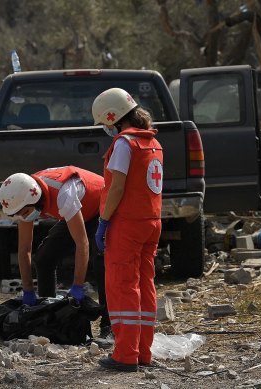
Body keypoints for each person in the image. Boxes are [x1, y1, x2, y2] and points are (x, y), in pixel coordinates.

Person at [91, 88, 163, 372]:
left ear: (114, 118)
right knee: (146, 285)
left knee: (123, 287)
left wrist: (103, 221)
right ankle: (143, 352)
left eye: (105, 123)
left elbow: (117, 187)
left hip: (127, 225)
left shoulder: (124, 144)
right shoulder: (153, 143)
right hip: (151, 222)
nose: (106, 129)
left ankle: (125, 355)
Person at [0, 166, 111, 336]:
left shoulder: (63, 194)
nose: (24, 217)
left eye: (26, 213)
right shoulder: (25, 200)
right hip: (78, 212)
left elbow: (82, 244)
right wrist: (28, 291)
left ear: (35, 198)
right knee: (44, 258)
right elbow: (24, 249)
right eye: (19, 214)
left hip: (102, 209)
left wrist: (78, 286)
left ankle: (109, 324)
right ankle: (48, 315)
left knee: (101, 261)